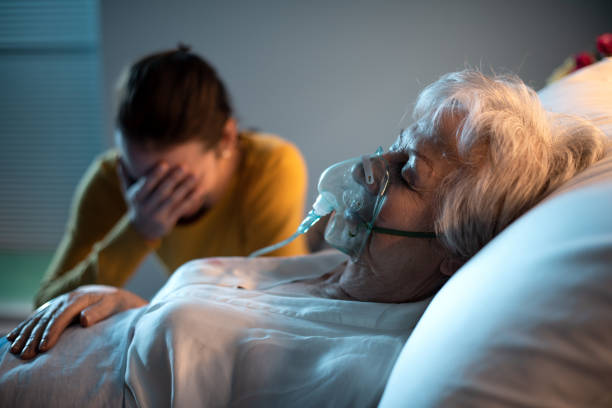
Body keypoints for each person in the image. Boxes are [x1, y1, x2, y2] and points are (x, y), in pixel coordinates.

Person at [2, 69, 608, 406]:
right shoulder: (321, 273)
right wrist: (127, 307)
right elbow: (209, 332)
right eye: (392, 144)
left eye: (410, 170)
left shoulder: (360, 363)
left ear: (455, 246)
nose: (373, 166)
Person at [33, 46, 310, 308]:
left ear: (226, 139)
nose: (158, 195)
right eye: (140, 177)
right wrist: (137, 231)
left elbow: (286, 300)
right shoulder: (110, 178)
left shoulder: (271, 164)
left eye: (178, 181)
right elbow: (46, 306)